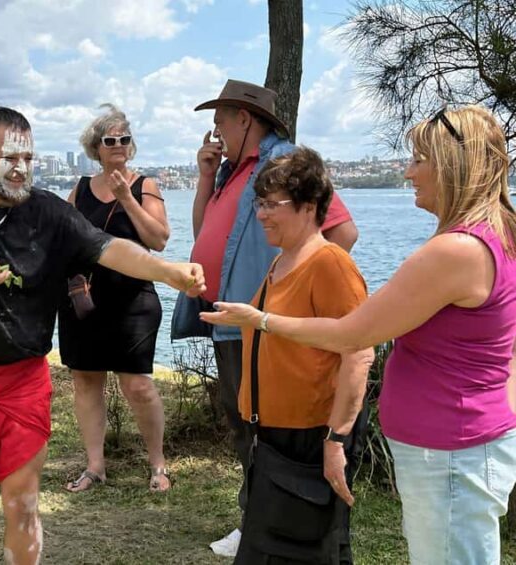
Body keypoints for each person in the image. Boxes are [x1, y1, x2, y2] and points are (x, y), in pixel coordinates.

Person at [203, 105, 516, 565]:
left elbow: (354, 334)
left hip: (449, 450)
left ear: (450, 165)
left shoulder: (457, 250)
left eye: (418, 159)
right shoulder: (499, 235)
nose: (409, 172)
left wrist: (260, 319)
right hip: (463, 443)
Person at [0, 106, 205, 565]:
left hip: (24, 381)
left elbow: (109, 249)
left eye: (29, 158)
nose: (21, 169)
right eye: (10, 158)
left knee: (23, 504)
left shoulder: (49, 211)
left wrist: (169, 272)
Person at [171, 79, 360, 557]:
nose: (214, 134)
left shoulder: (285, 165)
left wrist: (298, 298)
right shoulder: (234, 173)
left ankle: (268, 518)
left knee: (260, 428)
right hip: (237, 318)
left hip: (260, 324)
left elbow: (343, 233)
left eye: (219, 123)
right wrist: (206, 178)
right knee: (245, 421)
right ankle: (259, 517)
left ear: (244, 118)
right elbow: (204, 235)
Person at [200, 147, 373, 564]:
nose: (261, 214)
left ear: (309, 206)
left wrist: (336, 440)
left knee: (316, 549)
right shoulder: (282, 260)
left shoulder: (329, 262)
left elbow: (358, 352)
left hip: (310, 436)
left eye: (272, 205)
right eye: (260, 203)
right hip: (273, 439)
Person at [58, 104, 171, 493]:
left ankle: (158, 464)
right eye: (111, 140)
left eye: (125, 138)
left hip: (133, 300)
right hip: (85, 300)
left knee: (137, 385)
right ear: (97, 147)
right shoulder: (80, 188)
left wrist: (126, 199)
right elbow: (64, 238)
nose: (119, 145)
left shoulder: (145, 186)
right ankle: (95, 465)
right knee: (86, 380)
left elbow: (158, 239)